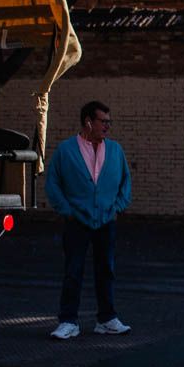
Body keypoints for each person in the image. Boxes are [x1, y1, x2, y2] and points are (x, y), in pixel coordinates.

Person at [45, 100, 133, 339]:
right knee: (73, 270)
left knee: (106, 270)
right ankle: (68, 321)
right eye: (103, 121)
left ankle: (106, 319)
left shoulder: (115, 150)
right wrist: (67, 210)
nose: (107, 126)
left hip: (106, 221)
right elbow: (53, 183)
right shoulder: (66, 150)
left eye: (108, 121)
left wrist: (118, 206)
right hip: (77, 221)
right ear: (88, 122)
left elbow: (126, 181)